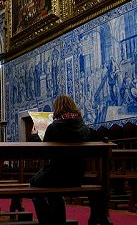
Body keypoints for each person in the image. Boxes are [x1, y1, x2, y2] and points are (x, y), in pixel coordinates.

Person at [29, 94, 90, 224]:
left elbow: (43, 153)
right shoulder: (84, 127)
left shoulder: (54, 127)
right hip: (77, 176)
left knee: (34, 185)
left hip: (57, 175)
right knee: (53, 190)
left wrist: (35, 136)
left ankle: (47, 221)